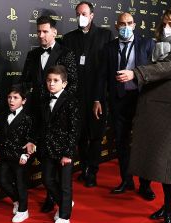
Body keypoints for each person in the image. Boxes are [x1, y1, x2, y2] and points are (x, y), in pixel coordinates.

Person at [117, 7, 171, 223]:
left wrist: (136, 73)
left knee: (170, 164)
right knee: (159, 162)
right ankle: (165, 206)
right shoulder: (159, 47)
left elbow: (166, 68)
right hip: (155, 113)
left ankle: (170, 212)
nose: (167, 27)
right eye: (165, 23)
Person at [93, 12, 156, 200]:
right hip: (119, 100)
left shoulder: (147, 44)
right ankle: (126, 181)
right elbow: (102, 76)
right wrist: (97, 99)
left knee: (143, 143)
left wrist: (135, 75)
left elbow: (154, 71)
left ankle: (145, 185)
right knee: (121, 143)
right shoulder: (109, 48)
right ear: (116, 26)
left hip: (142, 100)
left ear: (135, 25)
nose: (126, 26)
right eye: (122, 24)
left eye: (129, 23)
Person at [20, 15, 77, 212]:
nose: (41, 35)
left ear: (54, 32)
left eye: (45, 31)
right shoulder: (32, 55)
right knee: (45, 159)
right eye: (38, 32)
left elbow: (73, 83)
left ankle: (59, 201)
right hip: (38, 111)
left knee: (59, 161)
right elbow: (25, 81)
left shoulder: (66, 53)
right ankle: (51, 196)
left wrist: (59, 104)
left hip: (59, 111)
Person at [63, 1, 113, 187]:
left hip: (97, 96)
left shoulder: (105, 35)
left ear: (92, 15)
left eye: (84, 13)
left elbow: (107, 69)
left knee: (96, 136)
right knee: (80, 136)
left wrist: (100, 97)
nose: (80, 17)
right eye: (77, 14)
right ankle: (84, 168)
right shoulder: (68, 38)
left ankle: (92, 171)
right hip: (76, 97)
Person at [30, 65, 80, 223]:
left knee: (65, 185)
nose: (51, 84)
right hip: (47, 149)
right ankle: (65, 203)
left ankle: (64, 217)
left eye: (56, 81)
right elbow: (39, 125)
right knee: (48, 180)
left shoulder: (71, 100)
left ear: (64, 83)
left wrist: (68, 153)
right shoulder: (44, 100)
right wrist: (32, 141)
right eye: (49, 80)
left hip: (65, 150)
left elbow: (74, 129)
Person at [0, 85, 33, 223]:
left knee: (21, 183)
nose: (11, 100)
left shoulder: (27, 118)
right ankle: (16, 200)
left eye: (15, 98)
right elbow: (0, 135)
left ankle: (24, 210)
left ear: (23, 101)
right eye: (9, 97)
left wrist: (26, 155)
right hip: (4, 154)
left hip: (20, 156)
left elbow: (31, 139)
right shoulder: (3, 114)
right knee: (3, 180)